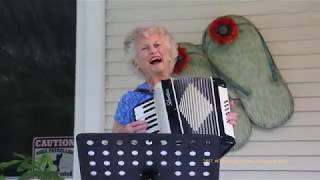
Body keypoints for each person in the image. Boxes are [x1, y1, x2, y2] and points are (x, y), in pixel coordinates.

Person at [112, 25, 238, 133]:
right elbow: (114, 140)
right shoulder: (130, 99)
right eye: (145, 48)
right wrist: (126, 132)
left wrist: (225, 123)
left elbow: (213, 136)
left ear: (170, 55)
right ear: (136, 63)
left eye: (157, 45)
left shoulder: (194, 90)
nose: (153, 51)